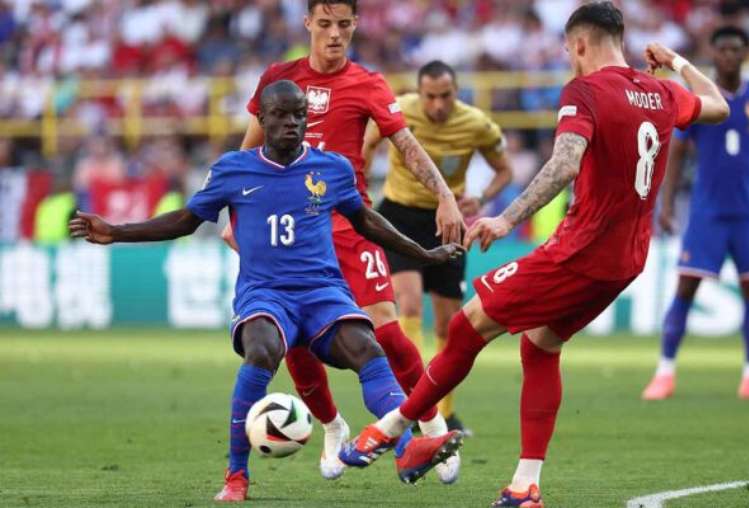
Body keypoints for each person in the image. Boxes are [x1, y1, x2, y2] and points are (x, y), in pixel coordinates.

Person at [337, 2, 730, 506]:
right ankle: (525, 484)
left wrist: (506, 218)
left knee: (466, 325)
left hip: (580, 252)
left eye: (569, 49)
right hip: (627, 261)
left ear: (580, 44)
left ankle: (395, 428)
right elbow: (717, 104)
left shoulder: (584, 91)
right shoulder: (659, 91)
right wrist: (677, 61)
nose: (569, 58)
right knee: (539, 346)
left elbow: (564, 164)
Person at [69, 80, 464, 503]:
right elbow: (186, 220)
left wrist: (422, 252)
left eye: (299, 114)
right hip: (265, 294)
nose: (291, 122)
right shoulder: (233, 169)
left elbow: (366, 221)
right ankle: (236, 476)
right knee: (262, 349)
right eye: (280, 114)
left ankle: (407, 450)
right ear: (261, 119)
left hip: (322, 293)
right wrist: (117, 231)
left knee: (368, 348)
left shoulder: (331, 168)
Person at [223, 0, 465, 483]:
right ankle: (333, 427)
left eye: (344, 25)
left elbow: (407, 146)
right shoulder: (279, 77)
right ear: (308, 22)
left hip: (348, 225)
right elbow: (246, 152)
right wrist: (236, 216)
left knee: (387, 329)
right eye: (326, 24)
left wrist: (445, 195)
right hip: (288, 230)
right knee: (295, 345)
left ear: (355, 26)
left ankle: (429, 419)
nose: (335, 34)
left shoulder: (368, 83)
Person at [362, 59, 513, 435]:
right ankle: (412, 403)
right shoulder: (400, 109)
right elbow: (365, 146)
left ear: (456, 92)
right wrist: (358, 190)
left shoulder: (476, 124)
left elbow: (504, 170)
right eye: (430, 96)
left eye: (445, 96)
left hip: (449, 222)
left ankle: (445, 410)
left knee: (449, 323)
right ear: (420, 93)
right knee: (408, 303)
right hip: (399, 215)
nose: (437, 105)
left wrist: (480, 197)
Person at [642, 26, 749, 401]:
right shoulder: (701, 99)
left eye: (736, 49)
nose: (729, 55)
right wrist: (665, 206)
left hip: (748, 213)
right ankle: (664, 373)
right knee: (686, 287)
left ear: (746, 53)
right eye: (723, 49)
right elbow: (677, 153)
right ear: (713, 55)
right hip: (707, 214)